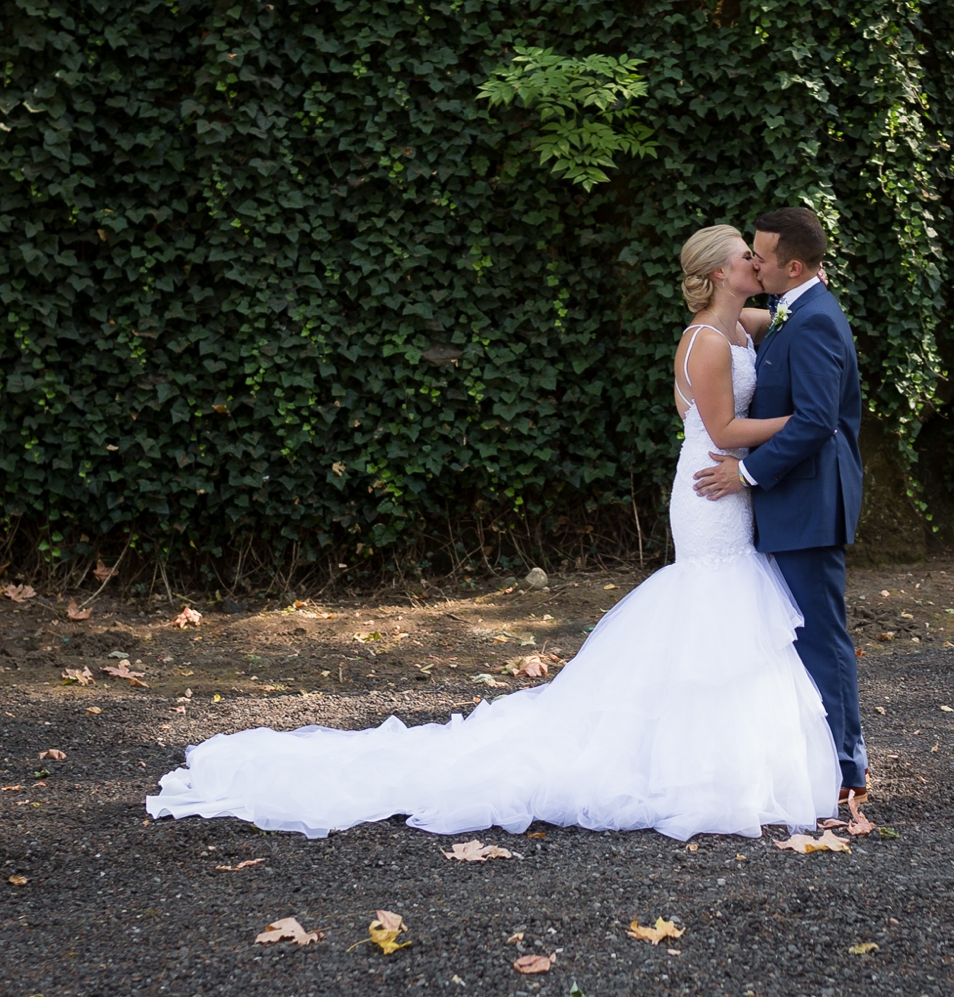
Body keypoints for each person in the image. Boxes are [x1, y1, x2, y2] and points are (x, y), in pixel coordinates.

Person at [143, 224, 842, 840]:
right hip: (712, 487)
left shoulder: (744, 325)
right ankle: (696, 768)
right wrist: (808, 420)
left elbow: (790, 313)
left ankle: (710, 757)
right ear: (719, 271)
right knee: (713, 604)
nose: (757, 263)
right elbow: (723, 429)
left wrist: (806, 298)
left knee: (721, 616)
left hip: (725, 484)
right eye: (746, 257)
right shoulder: (708, 342)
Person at [691, 206, 867, 805]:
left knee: (819, 635)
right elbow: (733, 320)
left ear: (792, 267)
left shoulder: (813, 320)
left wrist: (745, 473)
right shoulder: (790, 310)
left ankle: (845, 768)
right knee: (792, 634)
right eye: (747, 255)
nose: (754, 262)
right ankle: (810, 759)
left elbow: (816, 420)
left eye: (761, 256)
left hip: (808, 502)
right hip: (789, 501)